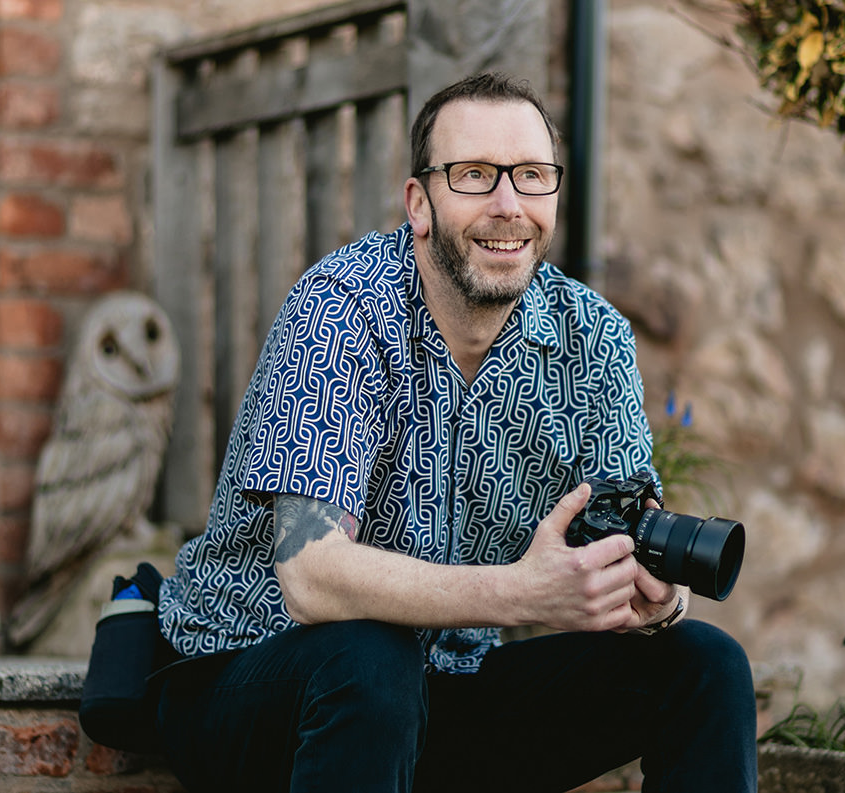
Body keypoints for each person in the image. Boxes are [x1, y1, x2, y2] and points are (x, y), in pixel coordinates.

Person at [155, 72, 758, 793]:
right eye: (475, 176)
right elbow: (310, 577)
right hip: (255, 683)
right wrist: (520, 592)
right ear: (420, 202)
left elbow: (631, 531)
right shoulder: (341, 309)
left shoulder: (593, 337)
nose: (509, 205)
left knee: (705, 665)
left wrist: (657, 598)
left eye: (532, 176)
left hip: (445, 688)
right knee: (371, 658)